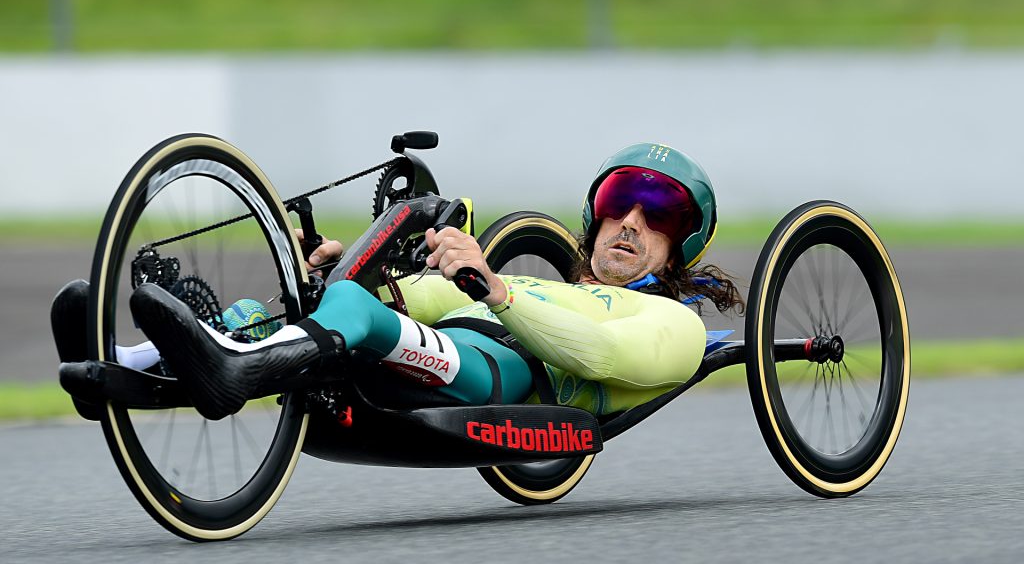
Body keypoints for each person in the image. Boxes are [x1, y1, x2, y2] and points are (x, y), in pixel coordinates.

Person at [61, 143, 744, 421]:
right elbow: (411, 295)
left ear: (679, 243)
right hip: (443, 346)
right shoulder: (544, 289)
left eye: (656, 213)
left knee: (356, 309)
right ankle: (123, 370)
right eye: (619, 202)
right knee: (312, 300)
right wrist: (336, 265)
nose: (630, 221)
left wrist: (495, 291)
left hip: (507, 378)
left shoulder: (676, 325)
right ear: (592, 219)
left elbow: (601, 358)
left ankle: (228, 373)